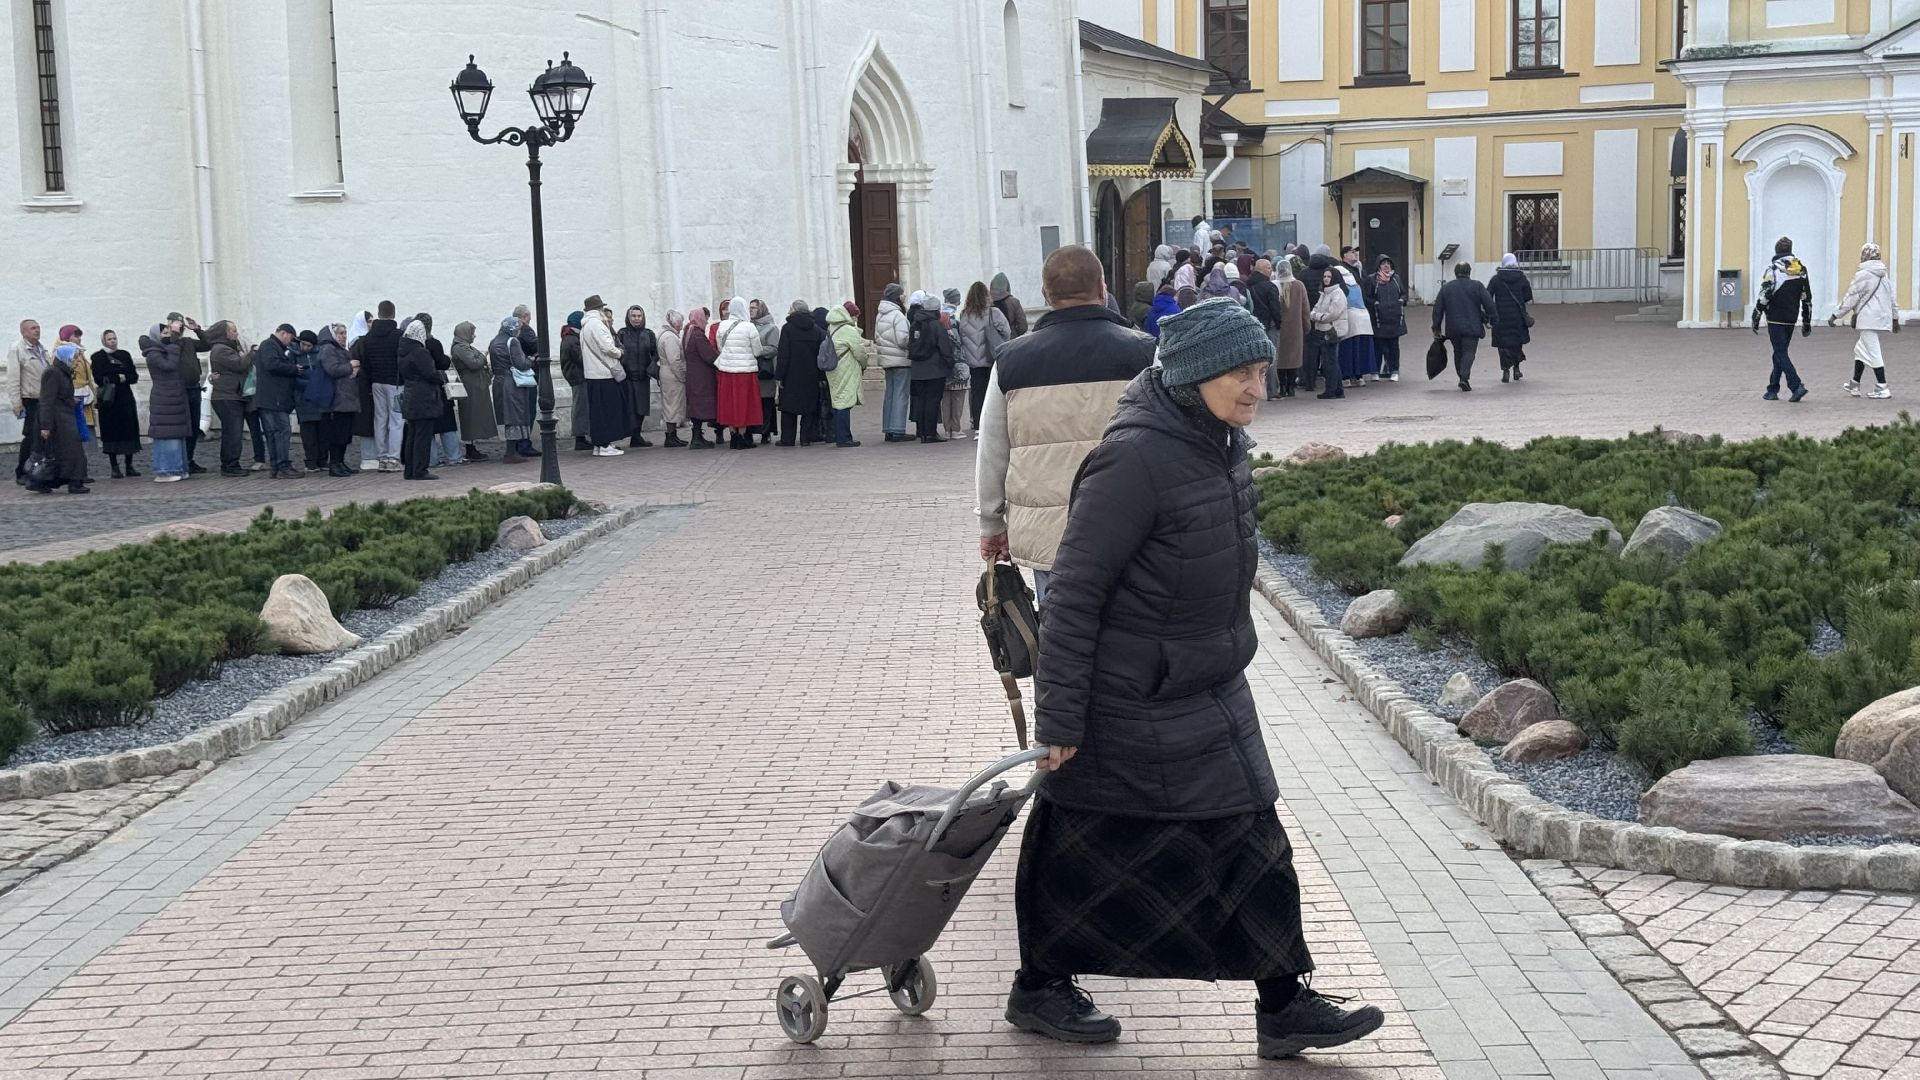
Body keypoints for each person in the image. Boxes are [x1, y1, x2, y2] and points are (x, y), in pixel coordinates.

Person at [1006, 296, 1383, 1059]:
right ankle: (1039, 986)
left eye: (1258, 369)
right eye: (1239, 373)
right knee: (1083, 843)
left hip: (1207, 683)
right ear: (1192, 376)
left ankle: (1283, 1002)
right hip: (1125, 699)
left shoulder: (1218, 442)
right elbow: (1074, 593)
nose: (1256, 386)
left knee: (1255, 840)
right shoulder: (1134, 459)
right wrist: (1060, 720)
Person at [976, 246, 1156, 602]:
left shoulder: (1011, 362)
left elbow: (992, 450)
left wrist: (992, 525)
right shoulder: (1146, 354)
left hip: (1050, 536)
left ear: (1045, 294)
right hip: (1133, 528)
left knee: (1062, 640)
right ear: (1103, 289)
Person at [1832, 242, 1898, 399]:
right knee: (1860, 350)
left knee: (1874, 352)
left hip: (1867, 318)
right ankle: (1855, 383)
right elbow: (1892, 297)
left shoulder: (1862, 274)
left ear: (1864, 255)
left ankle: (1882, 387)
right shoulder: (1884, 273)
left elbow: (1851, 297)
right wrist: (1895, 318)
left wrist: (1835, 315)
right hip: (1880, 318)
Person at [1752, 236, 1814, 402]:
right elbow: (1806, 297)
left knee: (1780, 352)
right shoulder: (1801, 269)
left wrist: (1756, 315)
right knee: (1780, 352)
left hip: (1775, 318)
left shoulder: (1773, 269)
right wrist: (1806, 320)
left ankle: (1796, 385)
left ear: (1777, 251)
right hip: (1791, 318)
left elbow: (1765, 295)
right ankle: (1772, 389)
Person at [350, 301, 405, 470]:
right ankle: (393, 458)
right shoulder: (399, 335)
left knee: (379, 419)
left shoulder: (368, 337)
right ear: (393, 314)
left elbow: (364, 360)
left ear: (379, 314)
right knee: (396, 420)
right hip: (395, 383)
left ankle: (381, 458)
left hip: (376, 382)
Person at [766, 300, 824, 447]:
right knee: (809, 408)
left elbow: (783, 354)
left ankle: (788, 438)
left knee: (788, 409)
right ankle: (805, 438)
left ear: (795, 310)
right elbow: (820, 355)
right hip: (811, 374)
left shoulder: (787, 328)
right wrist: (820, 376)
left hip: (791, 375)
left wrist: (779, 376)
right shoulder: (816, 329)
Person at [251, 324, 305, 478]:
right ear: (283, 333)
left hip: (271, 399)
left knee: (274, 433)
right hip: (274, 399)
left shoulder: (272, 346)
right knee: (282, 431)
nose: (290, 342)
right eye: (291, 338)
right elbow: (272, 365)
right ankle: (283, 466)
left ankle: (276, 466)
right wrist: (293, 369)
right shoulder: (269, 345)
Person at [1432, 261, 1496, 392]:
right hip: (1472, 327)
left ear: (1455, 273)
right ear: (1469, 272)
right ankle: (1464, 377)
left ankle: (1461, 376)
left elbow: (1437, 309)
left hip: (1453, 327)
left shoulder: (1446, 288)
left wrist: (1436, 327)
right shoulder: (1477, 286)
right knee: (1469, 352)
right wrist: (1492, 319)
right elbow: (1489, 303)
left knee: (1458, 352)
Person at [578, 298, 631, 456]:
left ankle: (599, 444)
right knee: (609, 411)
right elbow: (607, 346)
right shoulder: (597, 324)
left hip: (592, 373)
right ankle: (606, 444)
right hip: (604, 374)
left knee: (598, 412)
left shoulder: (585, 326)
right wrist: (619, 352)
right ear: (599, 308)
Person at [958, 281, 1012, 433]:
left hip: (973, 361)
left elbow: (962, 336)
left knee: (977, 393)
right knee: (994, 393)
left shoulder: (964, 315)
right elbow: (1006, 331)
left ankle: (978, 426)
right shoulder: (993, 313)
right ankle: (994, 426)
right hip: (992, 358)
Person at [142, 321, 192, 483]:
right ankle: (166, 469)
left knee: (177, 435)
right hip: (164, 399)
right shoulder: (154, 353)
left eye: (169, 333)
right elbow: (169, 365)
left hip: (174, 397)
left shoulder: (165, 350)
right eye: (164, 334)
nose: (168, 336)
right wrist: (173, 346)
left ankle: (179, 467)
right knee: (167, 435)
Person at [410, 314, 462, 469]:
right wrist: (446, 359)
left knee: (428, 430)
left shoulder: (413, 346)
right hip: (438, 389)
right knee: (447, 425)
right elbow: (443, 362)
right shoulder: (433, 343)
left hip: (421, 391)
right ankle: (454, 457)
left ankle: (431, 459)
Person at [204, 321, 252, 477]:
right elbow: (239, 365)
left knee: (232, 432)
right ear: (224, 333)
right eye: (232, 330)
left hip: (231, 394)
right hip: (227, 396)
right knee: (233, 432)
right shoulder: (220, 349)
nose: (236, 333)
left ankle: (231, 463)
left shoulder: (227, 348)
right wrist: (252, 353)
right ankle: (230, 465)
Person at [715, 294, 763, 449]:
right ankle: (742, 436)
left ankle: (733, 435)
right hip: (745, 371)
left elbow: (720, 347)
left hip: (726, 370)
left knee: (728, 403)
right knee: (744, 403)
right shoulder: (749, 327)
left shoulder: (722, 326)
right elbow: (757, 351)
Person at [92, 330, 142, 477]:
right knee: (111, 431)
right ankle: (114, 466)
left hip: (125, 397)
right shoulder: (98, 357)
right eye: (109, 339)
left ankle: (129, 465)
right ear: (104, 341)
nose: (113, 341)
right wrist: (118, 376)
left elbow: (133, 376)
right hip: (109, 400)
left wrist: (123, 377)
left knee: (129, 429)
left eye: (114, 338)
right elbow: (99, 378)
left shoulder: (124, 355)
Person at [489, 315, 538, 462]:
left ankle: (511, 451)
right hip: (511, 382)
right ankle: (511, 452)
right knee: (515, 416)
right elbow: (521, 364)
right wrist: (531, 359)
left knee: (508, 416)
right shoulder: (513, 341)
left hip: (498, 381)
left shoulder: (494, 341)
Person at [397, 319, 441, 480]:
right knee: (423, 436)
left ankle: (409, 469)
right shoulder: (420, 352)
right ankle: (420, 469)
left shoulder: (403, 351)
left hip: (410, 395)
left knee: (412, 435)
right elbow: (430, 374)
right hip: (424, 397)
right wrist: (441, 376)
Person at [907, 292, 953, 444]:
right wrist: (949, 363)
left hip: (917, 369)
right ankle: (931, 433)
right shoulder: (936, 325)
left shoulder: (915, 324)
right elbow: (944, 347)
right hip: (934, 369)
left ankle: (921, 432)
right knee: (933, 401)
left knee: (921, 400)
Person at [316, 322, 358, 477]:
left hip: (346, 397)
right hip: (336, 400)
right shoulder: (328, 349)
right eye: (341, 333)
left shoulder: (340, 349)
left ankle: (340, 462)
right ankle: (334, 463)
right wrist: (350, 366)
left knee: (345, 433)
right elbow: (332, 369)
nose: (344, 336)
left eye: (345, 333)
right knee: (337, 434)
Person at [9, 319, 47, 485]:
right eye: (33, 328)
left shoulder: (41, 348)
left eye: (38, 327)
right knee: (31, 436)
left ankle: (40, 469)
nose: (37, 330)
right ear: (23, 331)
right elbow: (13, 377)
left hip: (45, 399)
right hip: (30, 399)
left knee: (44, 436)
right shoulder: (17, 349)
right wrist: (16, 402)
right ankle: (22, 471)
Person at [874, 284, 914, 442]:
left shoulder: (881, 314)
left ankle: (889, 428)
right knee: (900, 395)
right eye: (903, 294)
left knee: (890, 394)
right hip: (900, 359)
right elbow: (903, 339)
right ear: (897, 296)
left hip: (887, 359)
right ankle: (898, 429)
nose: (904, 297)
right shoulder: (897, 315)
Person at [451, 321, 496, 460]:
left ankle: (473, 446)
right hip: (470, 386)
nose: (474, 336)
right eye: (472, 333)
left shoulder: (465, 347)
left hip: (475, 385)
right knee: (470, 416)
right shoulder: (460, 348)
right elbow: (474, 363)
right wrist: (482, 356)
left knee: (475, 416)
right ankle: (470, 448)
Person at [1487, 254, 1534, 384]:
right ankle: (1517, 369)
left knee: (1502, 345)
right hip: (1517, 316)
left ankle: (1505, 371)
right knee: (1516, 343)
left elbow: (1488, 295)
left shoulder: (1496, 279)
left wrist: (1490, 312)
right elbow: (1528, 296)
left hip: (1500, 317)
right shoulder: (1522, 278)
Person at [826, 301, 868, 448]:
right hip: (846, 368)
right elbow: (859, 352)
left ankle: (841, 435)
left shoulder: (832, 327)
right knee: (845, 402)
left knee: (838, 401)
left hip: (834, 368)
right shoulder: (848, 330)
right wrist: (864, 364)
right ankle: (844, 437)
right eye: (855, 316)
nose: (856, 319)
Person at [1334, 252, 1376, 388]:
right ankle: (1359, 376)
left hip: (1349, 317)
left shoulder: (1339, 283)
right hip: (1363, 317)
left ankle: (1346, 376)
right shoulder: (1355, 280)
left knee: (1347, 349)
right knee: (1359, 349)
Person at [617, 305, 657, 449]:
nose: (636, 319)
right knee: (630, 408)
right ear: (629, 317)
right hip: (628, 378)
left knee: (641, 408)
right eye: (633, 316)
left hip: (643, 377)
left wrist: (651, 367)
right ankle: (631, 434)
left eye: (639, 316)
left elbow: (655, 353)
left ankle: (637, 435)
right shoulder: (622, 333)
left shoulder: (649, 334)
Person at [1247, 258, 1286, 399]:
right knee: (1271, 359)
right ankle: (1273, 391)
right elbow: (1275, 308)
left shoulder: (1249, 285)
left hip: (1254, 326)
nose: (1271, 271)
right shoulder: (1270, 287)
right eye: (1269, 268)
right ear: (1262, 269)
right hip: (1270, 325)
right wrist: (1279, 323)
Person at [1309, 268, 1349, 400]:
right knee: (1330, 361)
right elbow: (1316, 308)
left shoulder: (1337, 294)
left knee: (1330, 361)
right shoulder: (1324, 293)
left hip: (1332, 330)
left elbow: (1332, 314)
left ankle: (1331, 390)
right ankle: (1337, 390)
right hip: (1324, 329)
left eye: (1329, 276)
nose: (1326, 279)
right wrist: (1316, 315)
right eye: (1325, 276)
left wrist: (1317, 317)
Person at [683, 307, 720, 448]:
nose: (707, 321)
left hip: (692, 374)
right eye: (705, 318)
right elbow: (709, 355)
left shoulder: (688, 331)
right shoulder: (697, 334)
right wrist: (721, 359)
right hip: (701, 375)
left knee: (695, 405)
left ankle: (697, 435)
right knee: (700, 405)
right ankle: (697, 438)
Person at [1368, 256, 1409, 382]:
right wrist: (1375, 304)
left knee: (1394, 346)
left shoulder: (1395, 278)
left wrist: (1402, 300)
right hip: (1379, 319)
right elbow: (1367, 297)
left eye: (1388, 263)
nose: (1386, 265)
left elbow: (1403, 293)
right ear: (1378, 266)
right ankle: (1375, 371)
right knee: (1377, 346)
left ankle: (1394, 370)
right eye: (1383, 263)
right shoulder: (1372, 280)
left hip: (1394, 318)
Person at [293, 330, 328, 472]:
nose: (305, 347)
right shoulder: (293, 355)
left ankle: (323, 460)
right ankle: (311, 461)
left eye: (308, 345)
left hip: (319, 399)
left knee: (322, 432)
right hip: (303, 398)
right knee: (308, 434)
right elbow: (293, 376)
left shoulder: (319, 355)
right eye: (303, 344)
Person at [655, 309, 689, 447]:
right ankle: (670, 436)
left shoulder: (666, 335)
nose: (681, 326)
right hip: (671, 375)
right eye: (680, 323)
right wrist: (682, 376)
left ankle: (672, 435)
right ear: (675, 323)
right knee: (672, 406)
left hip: (667, 372)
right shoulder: (670, 337)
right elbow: (674, 360)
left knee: (671, 404)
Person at [558, 310, 590, 451]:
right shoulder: (573, 339)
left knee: (581, 407)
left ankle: (582, 436)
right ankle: (580, 438)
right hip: (578, 377)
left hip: (576, 376)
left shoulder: (570, 337)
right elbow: (581, 358)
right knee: (581, 408)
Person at [751, 299, 781, 446]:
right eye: (750, 308)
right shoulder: (748, 326)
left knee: (766, 402)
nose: (751, 310)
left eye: (754, 308)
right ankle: (751, 431)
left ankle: (766, 432)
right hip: (751, 370)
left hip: (765, 371)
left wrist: (757, 350)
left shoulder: (771, 328)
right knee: (753, 403)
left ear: (761, 309)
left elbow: (774, 348)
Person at [991, 273, 1030, 339]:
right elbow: (1023, 326)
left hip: (992, 342)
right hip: (1010, 341)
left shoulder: (986, 302)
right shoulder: (1014, 302)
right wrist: (1015, 335)